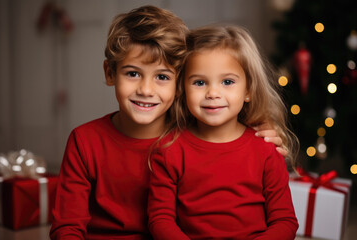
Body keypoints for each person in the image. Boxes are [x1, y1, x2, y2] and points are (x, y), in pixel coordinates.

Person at [50, 5, 288, 239]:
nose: (145, 89)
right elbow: (67, 227)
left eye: (162, 77)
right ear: (110, 73)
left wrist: (266, 134)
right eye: (132, 73)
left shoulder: (190, 139)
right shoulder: (85, 141)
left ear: (179, 84)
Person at [147, 25, 299, 240]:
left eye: (227, 82)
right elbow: (160, 220)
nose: (213, 93)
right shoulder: (169, 150)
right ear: (182, 88)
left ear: (248, 90)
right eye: (199, 82)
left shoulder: (265, 150)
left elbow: (285, 222)